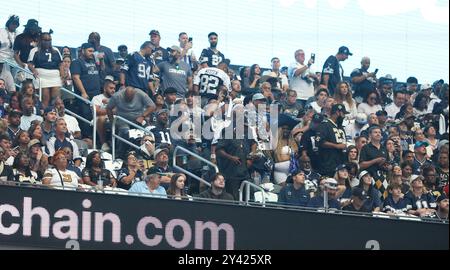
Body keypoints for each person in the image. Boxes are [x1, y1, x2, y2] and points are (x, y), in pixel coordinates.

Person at [106, 86, 155, 157]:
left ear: (134, 93)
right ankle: (120, 153)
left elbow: (152, 106)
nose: (129, 100)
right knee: (125, 132)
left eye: (131, 97)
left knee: (147, 132)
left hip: (138, 119)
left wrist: (143, 116)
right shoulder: (117, 96)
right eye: (127, 97)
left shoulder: (141, 94)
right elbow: (108, 108)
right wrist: (112, 121)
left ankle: (146, 153)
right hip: (123, 119)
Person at [70, 42, 101, 138]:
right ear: (82, 51)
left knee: (96, 117)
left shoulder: (93, 62)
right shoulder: (77, 62)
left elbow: (102, 70)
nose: (92, 53)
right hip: (85, 95)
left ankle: (96, 138)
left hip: (96, 94)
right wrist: (83, 92)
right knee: (86, 116)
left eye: (93, 51)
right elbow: (76, 77)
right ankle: (88, 138)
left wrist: (101, 60)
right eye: (90, 51)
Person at [27, 31, 63, 108]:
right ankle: (45, 114)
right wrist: (33, 70)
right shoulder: (34, 50)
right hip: (42, 77)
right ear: (40, 40)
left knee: (56, 98)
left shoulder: (56, 50)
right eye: (45, 40)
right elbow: (30, 63)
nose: (48, 42)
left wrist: (62, 74)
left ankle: (55, 115)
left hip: (55, 77)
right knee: (45, 98)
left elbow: (60, 63)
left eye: (49, 40)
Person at [316, 104, 348, 177]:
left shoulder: (340, 127)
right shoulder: (325, 125)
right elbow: (319, 141)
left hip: (340, 163)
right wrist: (336, 146)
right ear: (337, 112)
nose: (344, 116)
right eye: (343, 114)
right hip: (328, 163)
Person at [92, 79, 115, 151]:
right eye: (111, 88)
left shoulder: (116, 98)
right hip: (99, 120)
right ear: (105, 89)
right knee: (101, 118)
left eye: (114, 88)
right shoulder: (97, 98)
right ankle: (103, 143)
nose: (113, 90)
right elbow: (97, 111)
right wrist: (111, 111)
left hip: (113, 119)